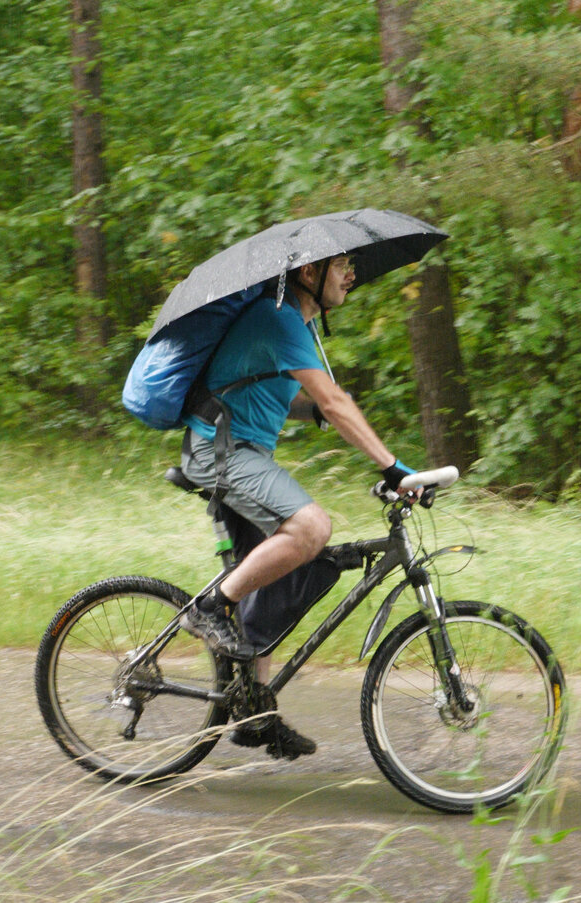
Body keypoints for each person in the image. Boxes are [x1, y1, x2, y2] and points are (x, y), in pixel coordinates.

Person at [177, 253, 415, 759]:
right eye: (342, 266)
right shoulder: (280, 317)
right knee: (311, 528)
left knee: (276, 572)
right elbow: (333, 402)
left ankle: (254, 714)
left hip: (241, 451)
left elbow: (274, 395)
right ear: (310, 274)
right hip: (220, 452)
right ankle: (210, 607)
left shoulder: (291, 324)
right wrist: (392, 466)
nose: (352, 275)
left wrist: (320, 409)